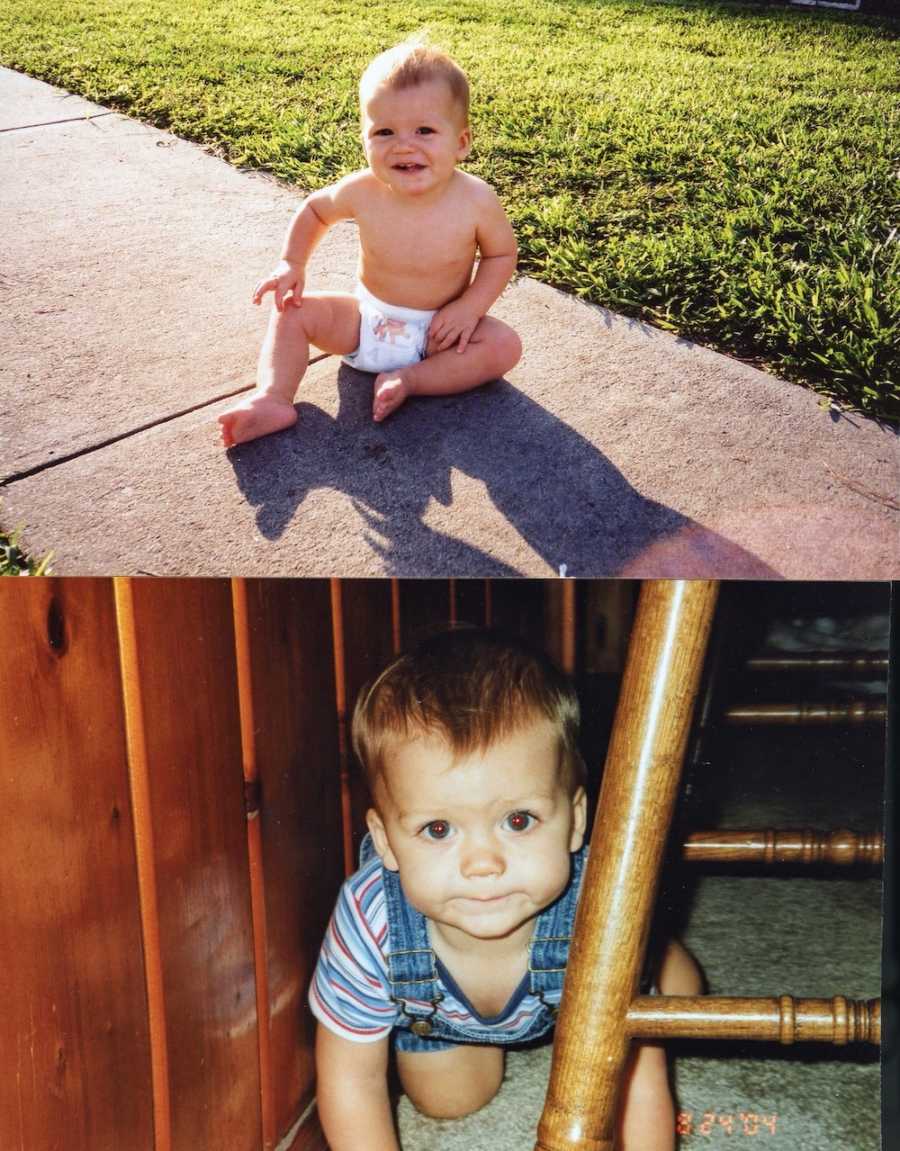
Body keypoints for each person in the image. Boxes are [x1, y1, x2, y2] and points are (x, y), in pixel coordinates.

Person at [309, 628, 703, 1151]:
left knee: (675, 1002)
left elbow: (641, 1077)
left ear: (576, 820)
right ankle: (486, 1038)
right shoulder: (369, 919)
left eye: (518, 820)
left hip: (591, 990)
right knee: (447, 1101)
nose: (483, 864)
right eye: (439, 829)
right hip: (445, 1021)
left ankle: (660, 954)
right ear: (384, 841)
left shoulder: (599, 908)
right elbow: (350, 1079)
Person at [218, 40, 522, 447]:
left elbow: (501, 254)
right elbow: (315, 210)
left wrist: (470, 308)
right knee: (293, 312)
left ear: (461, 142)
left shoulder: (476, 200)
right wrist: (292, 263)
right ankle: (272, 397)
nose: (403, 145)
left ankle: (410, 381)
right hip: (364, 322)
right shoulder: (363, 190)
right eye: (384, 131)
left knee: (504, 346)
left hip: (439, 334)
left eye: (425, 130)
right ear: (364, 138)